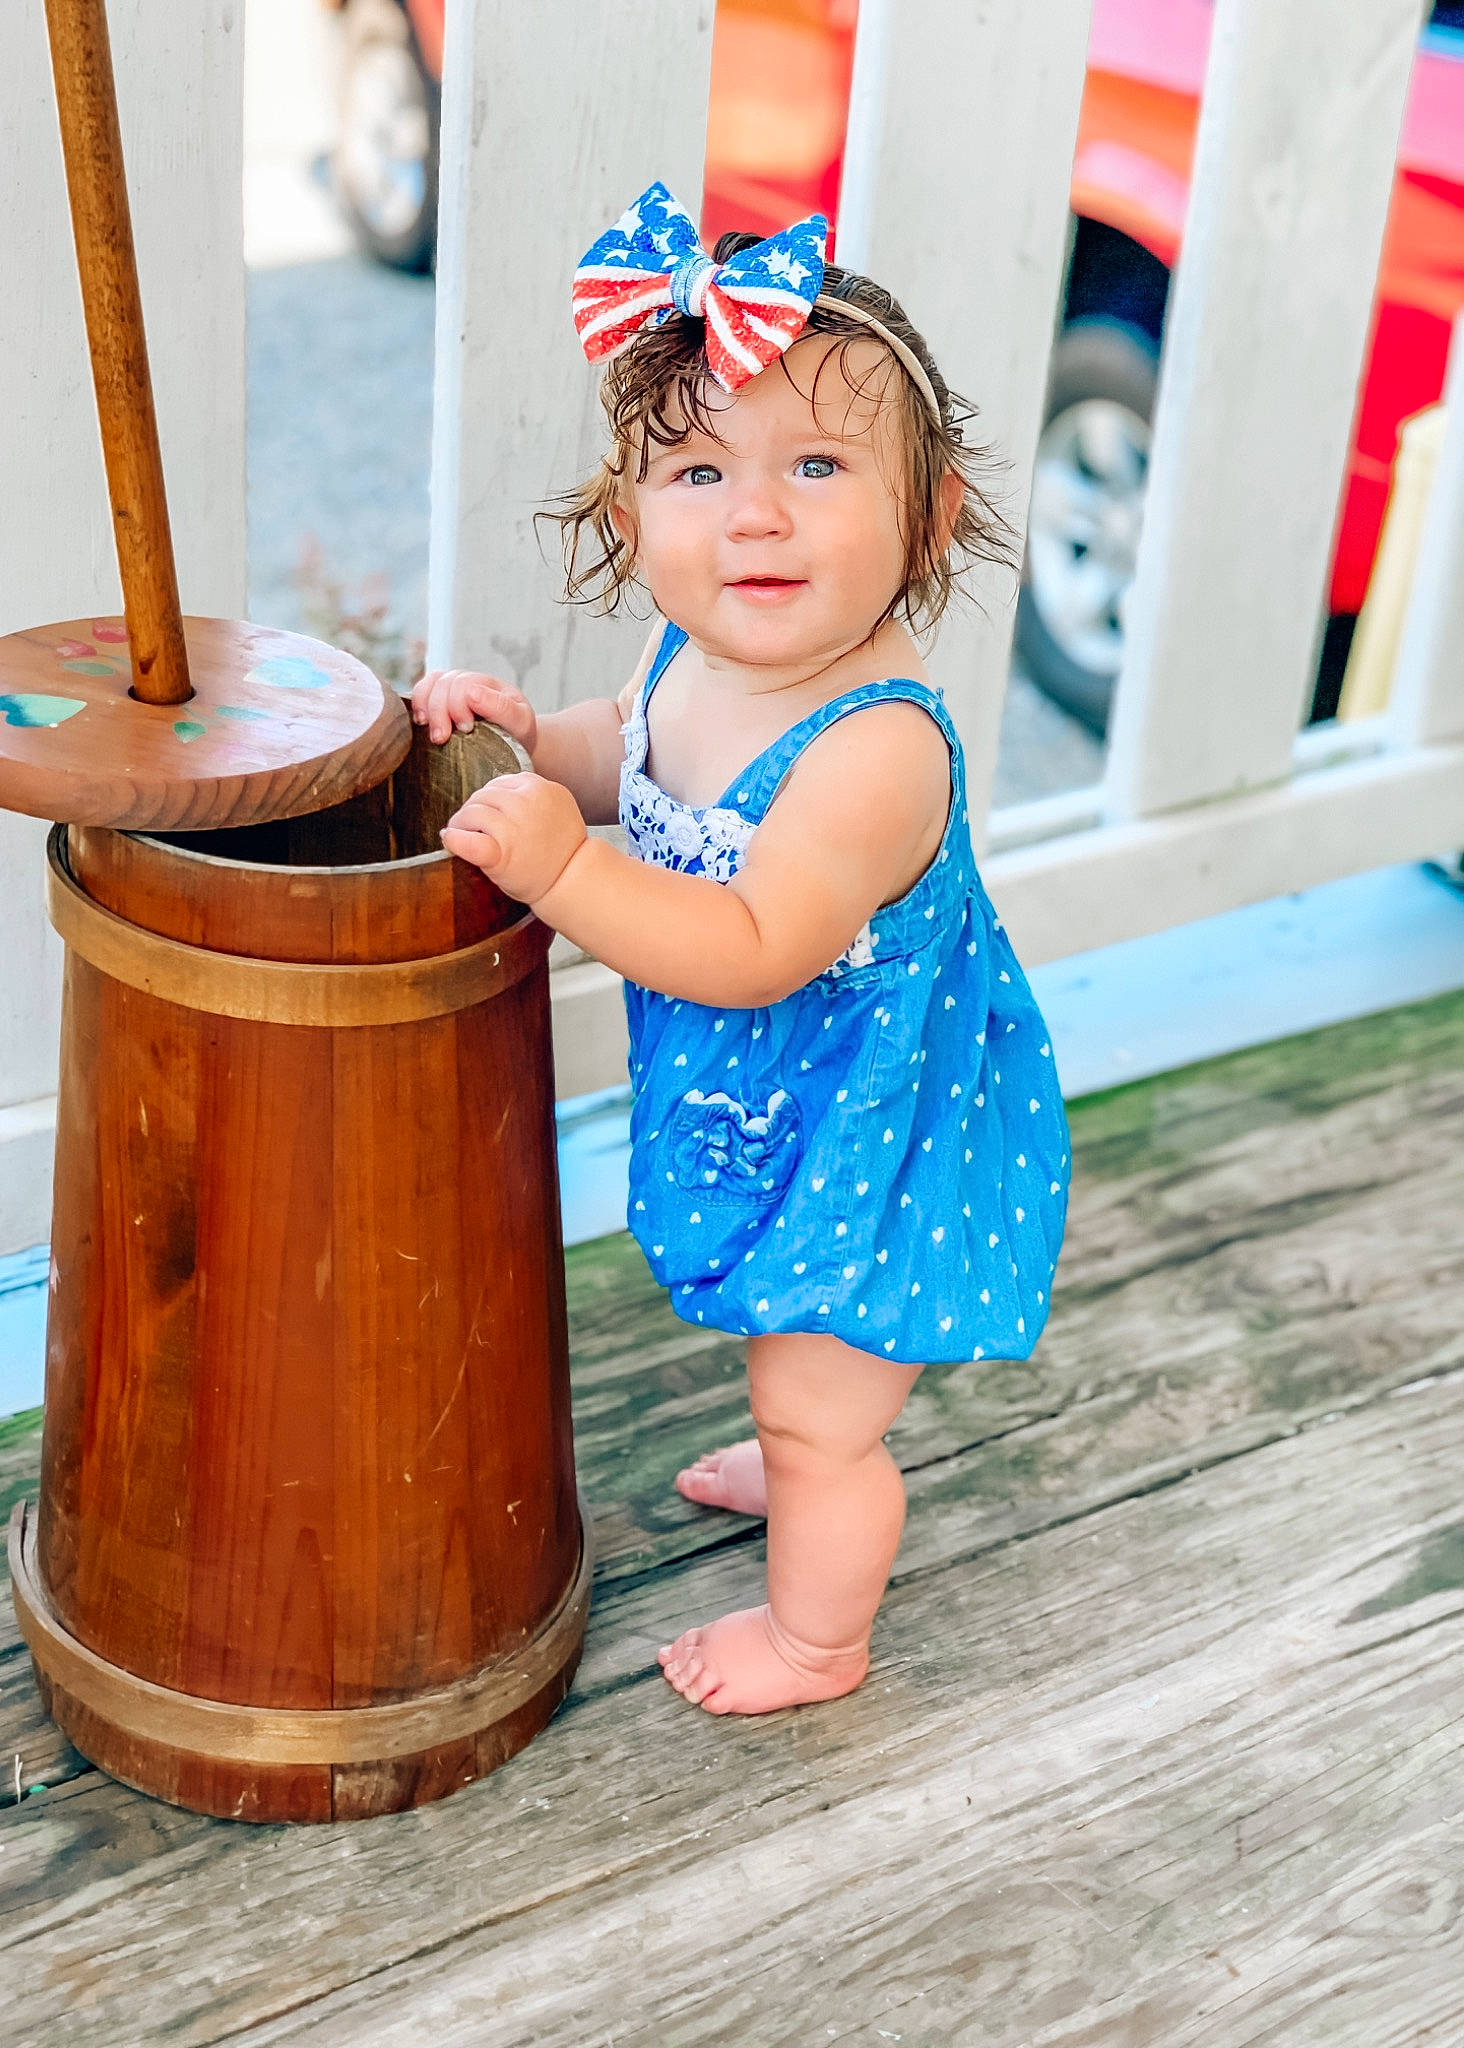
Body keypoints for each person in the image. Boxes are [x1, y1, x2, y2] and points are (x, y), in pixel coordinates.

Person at [410, 183, 1071, 1717]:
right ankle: (797, 1467)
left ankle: (816, 1639)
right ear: (634, 515)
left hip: (876, 1125)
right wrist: (536, 743)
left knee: (823, 1411)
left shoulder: (873, 748)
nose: (755, 513)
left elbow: (759, 942)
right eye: (700, 470)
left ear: (935, 514)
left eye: (817, 464)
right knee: (789, 1357)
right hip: (784, 1111)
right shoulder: (699, 655)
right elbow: (631, 752)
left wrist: (567, 877)